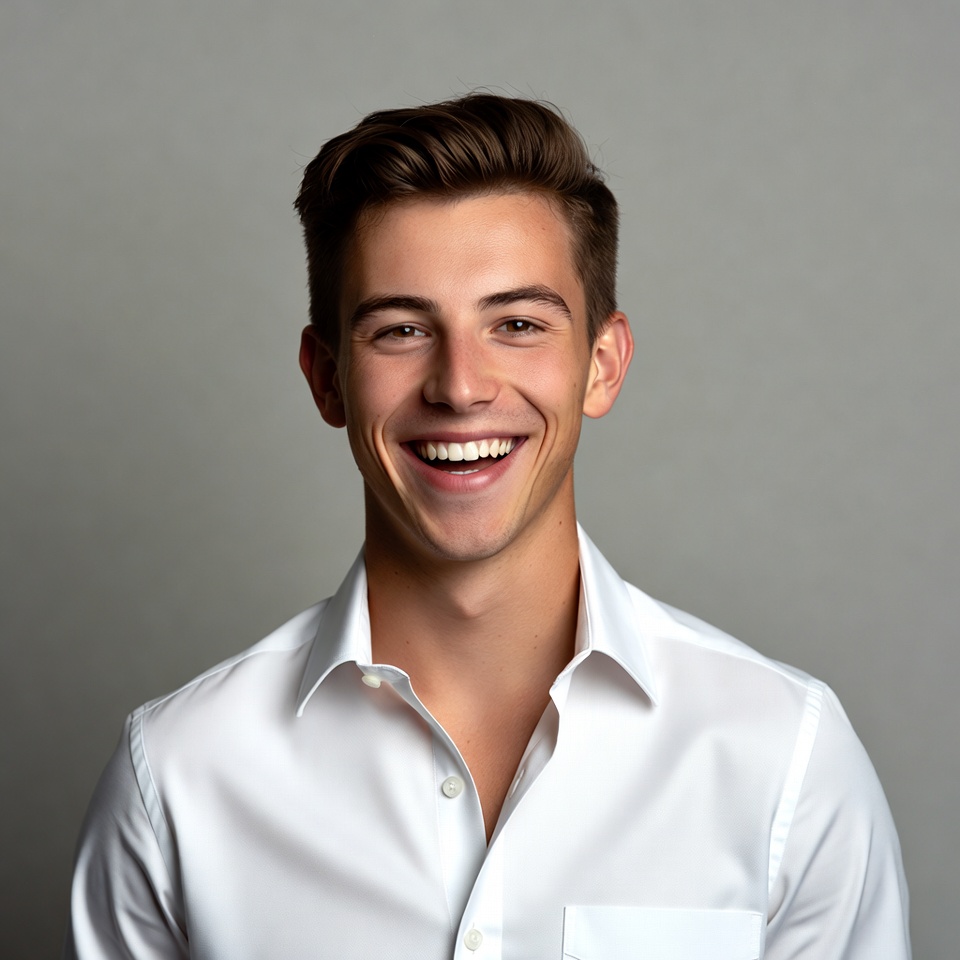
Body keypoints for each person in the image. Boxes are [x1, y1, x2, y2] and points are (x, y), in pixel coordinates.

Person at [65, 94, 910, 959]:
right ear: (326, 379)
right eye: (400, 329)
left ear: (603, 365)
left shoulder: (785, 761)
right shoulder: (176, 777)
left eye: (516, 324)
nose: (460, 386)